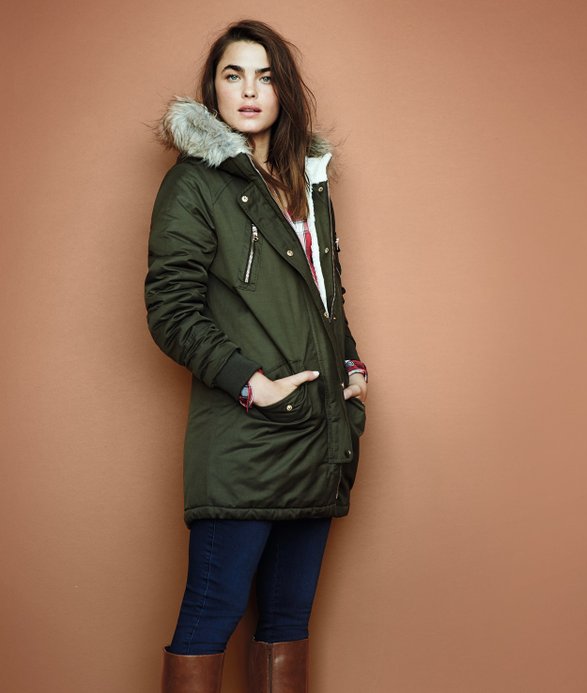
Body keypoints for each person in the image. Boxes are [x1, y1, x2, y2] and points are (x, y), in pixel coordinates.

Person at [145, 19, 368, 693]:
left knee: (288, 622)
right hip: (245, 440)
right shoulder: (194, 185)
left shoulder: (309, 183)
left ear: (283, 91)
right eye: (233, 75)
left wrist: (351, 367)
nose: (248, 91)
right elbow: (171, 310)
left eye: (265, 76)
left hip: (319, 434)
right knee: (213, 612)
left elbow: (324, 296)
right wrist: (251, 384)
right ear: (212, 90)